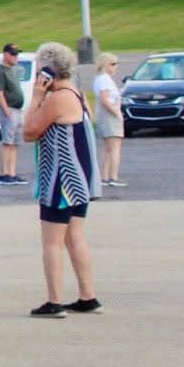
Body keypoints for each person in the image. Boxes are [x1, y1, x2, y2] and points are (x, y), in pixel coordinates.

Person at [23, 40, 101, 316]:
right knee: (75, 236)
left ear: (48, 71)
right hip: (79, 180)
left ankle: (54, 300)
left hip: (60, 180)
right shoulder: (76, 94)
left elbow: (29, 131)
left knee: (52, 242)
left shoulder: (57, 99)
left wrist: (35, 98)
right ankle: (87, 295)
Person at [0, 43, 27, 185]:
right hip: (9, 110)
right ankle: (4, 173)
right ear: (6, 54)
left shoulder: (13, 70)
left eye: (16, 54)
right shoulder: (0, 72)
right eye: (13, 54)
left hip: (18, 109)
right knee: (7, 142)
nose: (15, 57)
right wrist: (6, 110)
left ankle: (12, 173)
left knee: (15, 143)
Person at [91, 52, 127, 187]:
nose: (115, 67)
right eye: (112, 64)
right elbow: (105, 99)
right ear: (105, 65)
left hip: (104, 114)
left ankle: (104, 177)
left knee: (108, 148)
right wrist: (117, 113)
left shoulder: (101, 78)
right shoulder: (104, 79)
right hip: (109, 115)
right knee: (115, 147)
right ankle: (113, 177)